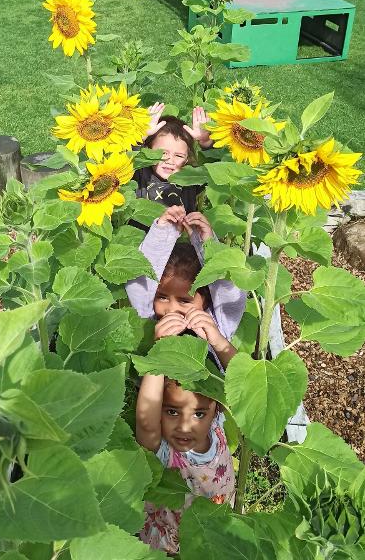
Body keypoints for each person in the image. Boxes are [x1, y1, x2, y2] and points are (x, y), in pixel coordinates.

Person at [126, 205, 246, 372]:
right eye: (162, 297)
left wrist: (207, 244)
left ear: (206, 299)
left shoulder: (215, 324)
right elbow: (142, 280)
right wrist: (162, 234)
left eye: (184, 301)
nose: (172, 309)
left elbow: (227, 288)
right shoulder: (150, 321)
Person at [136, 376, 235, 555]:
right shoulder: (164, 453)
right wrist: (158, 361)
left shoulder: (216, 425)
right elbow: (146, 423)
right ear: (159, 410)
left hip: (218, 523)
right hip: (172, 547)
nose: (184, 426)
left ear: (216, 409)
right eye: (172, 412)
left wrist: (217, 345)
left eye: (198, 414)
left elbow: (240, 378)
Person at [134, 103, 213, 214]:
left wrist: (206, 142)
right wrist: (140, 136)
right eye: (163, 153)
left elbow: (214, 171)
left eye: (179, 155)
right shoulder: (140, 174)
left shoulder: (190, 180)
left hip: (182, 231)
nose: (170, 160)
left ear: (186, 159)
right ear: (148, 150)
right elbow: (127, 158)